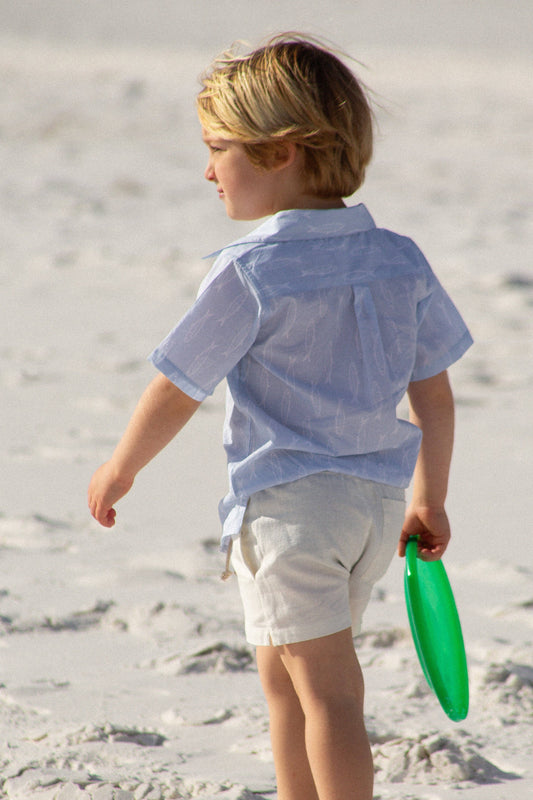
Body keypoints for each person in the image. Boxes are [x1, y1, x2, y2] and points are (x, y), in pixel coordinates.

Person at [88, 34, 473, 800]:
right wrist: (431, 496)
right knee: (282, 675)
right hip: (371, 509)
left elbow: (178, 386)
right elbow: (432, 390)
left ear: (279, 153)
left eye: (218, 149)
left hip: (289, 511)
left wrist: (120, 466)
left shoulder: (250, 271)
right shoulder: (398, 257)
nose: (206, 171)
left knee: (329, 694)